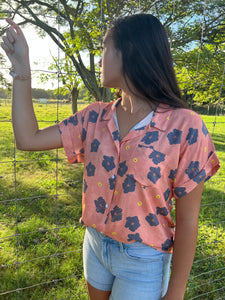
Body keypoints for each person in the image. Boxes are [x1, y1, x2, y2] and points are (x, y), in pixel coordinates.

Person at [1, 14, 220, 300]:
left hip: (143, 259)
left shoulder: (185, 127)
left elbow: (189, 220)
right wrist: (21, 69)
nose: (99, 58)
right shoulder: (95, 117)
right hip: (95, 245)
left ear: (128, 50)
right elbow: (27, 139)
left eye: (104, 47)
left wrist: (175, 293)